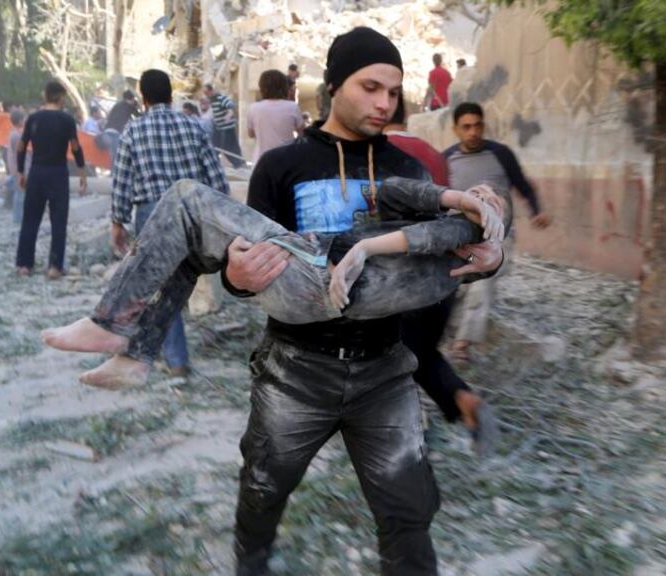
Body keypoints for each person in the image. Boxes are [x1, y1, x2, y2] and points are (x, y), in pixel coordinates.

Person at [223, 27, 507, 575]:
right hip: (295, 372)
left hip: (385, 371)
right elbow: (243, 272)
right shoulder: (282, 168)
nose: (384, 103)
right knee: (262, 491)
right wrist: (237, 276)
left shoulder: (410, 172)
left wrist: (481, 262)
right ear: (333, 86)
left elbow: (434, 270)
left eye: (393, 91)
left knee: (408, 516)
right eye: (370, 86)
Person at [41, 176, 504, 386]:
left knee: (186, 198)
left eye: (490, 198)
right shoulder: (461, 245)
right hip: (317, 283)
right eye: (479, 191)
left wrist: (363, 249)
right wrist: (452, 194)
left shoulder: (468, 233)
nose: (480, 194)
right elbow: (389, 191)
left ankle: (110, 321)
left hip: (317, 275)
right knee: (193, 243)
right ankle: (136, 354)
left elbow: (428, 234)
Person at [104, 69, 231, 380]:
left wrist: (117, 221)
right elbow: (216, 178)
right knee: (178, 281)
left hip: (153, 214)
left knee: (160, 287)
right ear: (171, 95)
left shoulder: (133, 131)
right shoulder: (195, 126)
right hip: (192, 212)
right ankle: (163, 351)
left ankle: (174, 360)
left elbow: (122, 180)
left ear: (143, 98)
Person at [382, 97, 493, 439]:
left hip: (394, 275)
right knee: (421, 351)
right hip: (439, 274)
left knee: (385, 352)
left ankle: (409, 424)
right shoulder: (435, 155)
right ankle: (462, 399)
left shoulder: (373, 154)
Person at [443, 102, 551, 362]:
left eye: (477, 125)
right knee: (456, 284)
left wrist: (536, 210)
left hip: (496, 235)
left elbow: (524, 185)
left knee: (482, 282)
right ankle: (451, 330)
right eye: (466, 127)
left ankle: (462, 343)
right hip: (458, 235)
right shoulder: (446, 159)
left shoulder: (501, 154)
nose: (473, 132)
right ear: (456, 129)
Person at [14, 80, 88, 279]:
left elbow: (21, 146)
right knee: (58, 221)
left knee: (30, 219)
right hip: (57, 173)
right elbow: (75, 147)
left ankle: (24, 265)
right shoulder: (66, 120)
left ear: (45, 95)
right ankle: (55, 266)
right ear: (61, 97)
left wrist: (21, 171)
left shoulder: (33, 119)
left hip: (37, 172)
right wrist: (82, 172)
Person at [246, 70, 304, 163]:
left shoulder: (253, 108)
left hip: (261, 161)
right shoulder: (293, 107)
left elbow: (251, 134)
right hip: (287, 161)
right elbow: (302, 133)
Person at [204, 83, 244, 168]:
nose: (206, 95)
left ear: (211, 91)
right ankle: (215, 164)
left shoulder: (220, 98)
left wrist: (229, 113)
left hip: (227, 128)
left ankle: (238, 163)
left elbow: (231, 105)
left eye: (207, 93)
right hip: (219, 128)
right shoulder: (213, 101)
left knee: (227, 147)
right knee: (215, 147)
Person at [102, 89, 139, 167]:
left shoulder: (117, 105)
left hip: (106, 131)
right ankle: (114, 173)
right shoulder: (130, 106)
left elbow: (108, 116)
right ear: (131, 99)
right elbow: (139, 117)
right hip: (115, 132)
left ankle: (112, 173)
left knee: (113, 154)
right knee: (117, 155)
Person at [6, 110, 29, 225]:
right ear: (20, 121)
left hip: (15, 169)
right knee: (20, 194)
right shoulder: (17, 136)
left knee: (20, 193)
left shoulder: (12, 134)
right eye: (24, 119)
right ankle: (18, 218)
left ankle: (19, 217)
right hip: (19, 169)